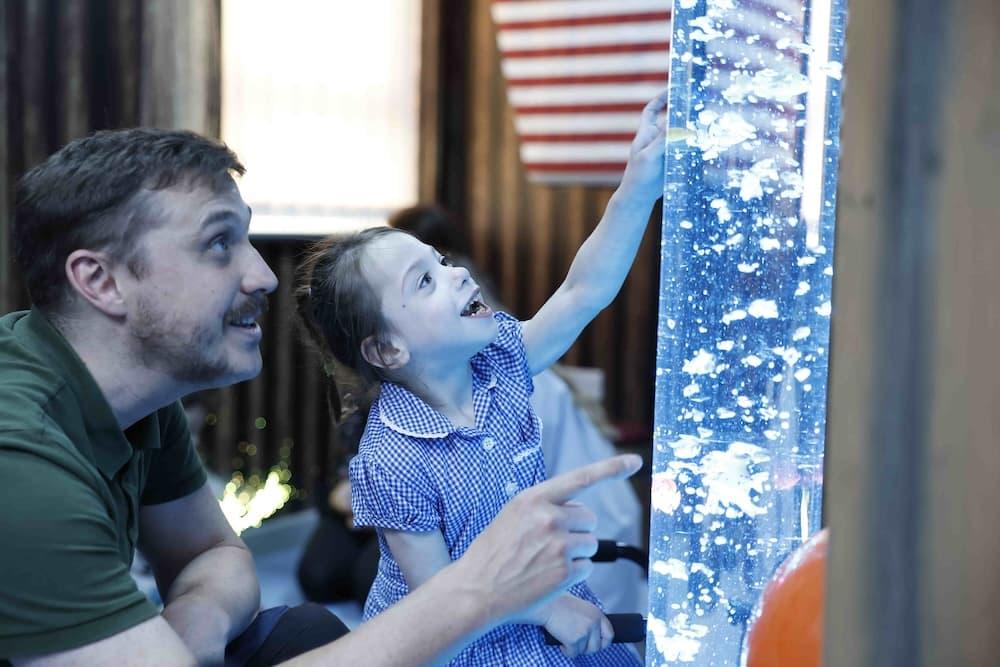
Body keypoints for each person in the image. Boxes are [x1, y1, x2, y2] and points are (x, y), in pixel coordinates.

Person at [0, 127, 644, 666]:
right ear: (99, 281)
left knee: (300, 630)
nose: (261, 275)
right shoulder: (18, 465)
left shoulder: (144, 408)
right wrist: (491, 589)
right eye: (219, 243)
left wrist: (190, 632)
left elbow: (214, 554)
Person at [295, 91, 667, 665]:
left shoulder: (498, 360)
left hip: (554, 606)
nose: (457, 273)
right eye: (424, 282)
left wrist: (637, 188)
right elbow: (440, 600)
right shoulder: (390, 458)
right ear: (388, 348)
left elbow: (582, 291)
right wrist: (550, 609)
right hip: (476, 644)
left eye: (440, 263)